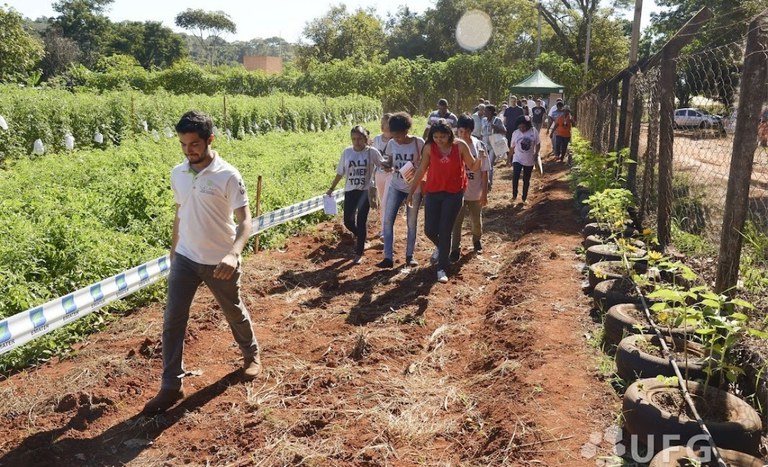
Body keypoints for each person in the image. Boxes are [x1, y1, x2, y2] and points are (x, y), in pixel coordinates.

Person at [143, 110, 260, 415]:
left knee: (233, 311)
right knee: (172, 320)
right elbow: (180, 213)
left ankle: (251, 355)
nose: (188, 150)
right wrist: (174, 251)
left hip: (220, 261)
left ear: (210, 140)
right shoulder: (178, 173)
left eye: (194, 144)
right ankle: (171, 385)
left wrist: (234, 254)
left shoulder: (228, 175)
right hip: (185, 257)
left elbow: (245, 221)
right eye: (183, 144)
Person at [408, 119, 481, 283]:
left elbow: (473, 166)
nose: (439, 140)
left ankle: (442, 268)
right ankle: (443, 249)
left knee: (445, 229)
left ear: (449, 135)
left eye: (442, 136)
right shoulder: (429, 148)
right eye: (435, 137)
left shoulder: (460, 146)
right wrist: (411, 192)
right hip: (433, 192)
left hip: (453, 193)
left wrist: (481, 158)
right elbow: (421, 169)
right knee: (429, 230)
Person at [327, 125, 385, 264]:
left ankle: (359, 252)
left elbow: (383, 165)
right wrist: (331, 188)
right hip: (350, 190)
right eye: (354, 139)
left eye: (359, 138)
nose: (356, 142)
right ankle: (361, 237)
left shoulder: (372, 152)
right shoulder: (347, 152)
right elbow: (340, 172)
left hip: (365, 191)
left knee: (361, 220)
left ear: (365, 138)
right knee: (348, 221)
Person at [378, 112, 425, 269]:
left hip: (414, 188)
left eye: (400, 135)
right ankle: (388, 257)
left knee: (411, 222)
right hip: (396, 186)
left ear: (406, 130)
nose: (397, 139)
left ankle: (410, 256)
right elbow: (389, 160)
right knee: (388, 220)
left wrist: (417, 171)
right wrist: (386, 165)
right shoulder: (391, 144)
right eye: (394, 136)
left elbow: (426, 163)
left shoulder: (418, 143)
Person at [450, 114, 489, 261]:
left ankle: (476, 240)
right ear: (457, 131)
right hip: (457, 192)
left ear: (471, 131)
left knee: (476, 221)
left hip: (475, 192)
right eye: (461, 131)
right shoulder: (453, 145)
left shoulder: (479, 145)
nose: (464, 135)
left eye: (467, 131)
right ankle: (455, 249)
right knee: (456, 222)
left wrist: (484, 193)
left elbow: (484, 171)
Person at [508, 115, 541, 206]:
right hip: (517, 158)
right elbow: (512, 147)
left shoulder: (533, 131)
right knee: (515, 176)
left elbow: (538, 144)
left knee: (526, 179)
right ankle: (514, 195)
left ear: (528, 125)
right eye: (520, 127)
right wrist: (509, 159)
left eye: (523, 127)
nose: (522, 129)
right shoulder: (515, 133)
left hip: (529, 159)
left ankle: (524, 197)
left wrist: (536, 153)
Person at [372, 114, 393, 236]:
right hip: (379, 173)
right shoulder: (376, 140)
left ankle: (386, 231)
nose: (387, 126)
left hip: (391, 174)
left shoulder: (396, 140)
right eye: (385, 123)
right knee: (382, 201)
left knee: (385, 202)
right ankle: (383, 227)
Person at [482, 104, 506, 192]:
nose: (484, 112)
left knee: (490, 165)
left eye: (486, 111)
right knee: (483, 164)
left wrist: (496, 128)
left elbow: (504, 131)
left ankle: (489, 184)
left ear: (491, 112)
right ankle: (484, 182)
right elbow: (482, 132)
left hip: (494, 144)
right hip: (485, 144)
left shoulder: (497, 120)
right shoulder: (484, 120)